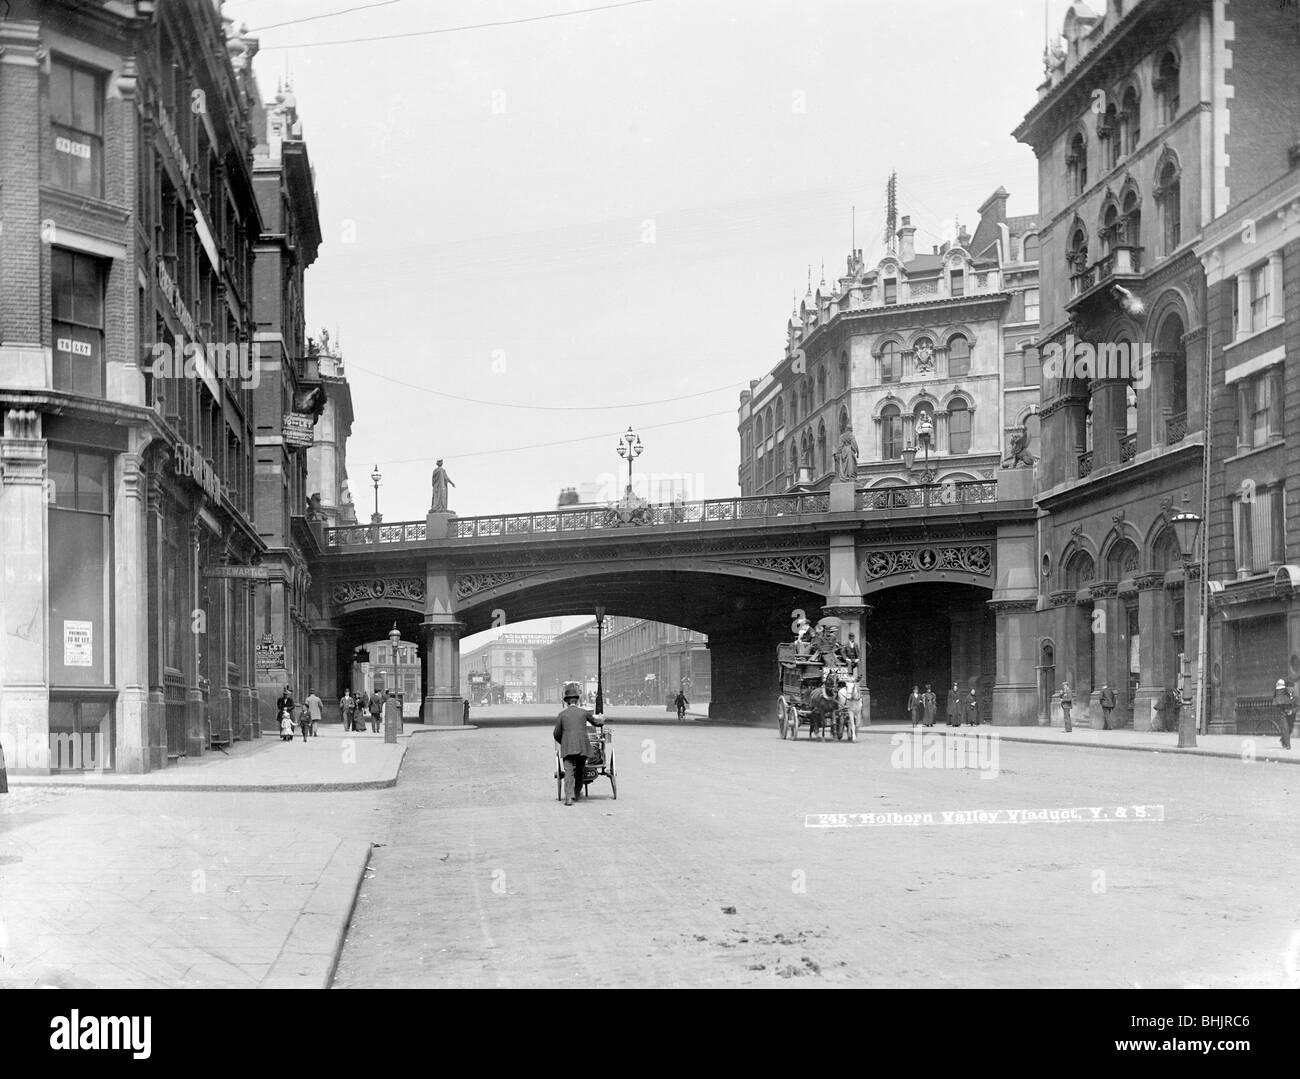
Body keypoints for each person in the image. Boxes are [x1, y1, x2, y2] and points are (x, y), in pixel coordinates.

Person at [554, 681, 603, 805]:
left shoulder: (562, 714)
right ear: (577, 700)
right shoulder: (583, 712)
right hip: (582, 748)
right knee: (580, 770)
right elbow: (596, 723)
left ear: (566, 701)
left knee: (569, 772)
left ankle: (569, 798)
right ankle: (576, 794)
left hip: (568, 748)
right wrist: (602, 720)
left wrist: (564, 741)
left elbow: (556, 733)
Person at [1270, 679, 1294, 750]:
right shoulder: (1280, 692)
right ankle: (1287, 744)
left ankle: (1284, 740)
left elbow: (1275, 700)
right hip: (1282, 712)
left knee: (1287, 728)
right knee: (1285, 728)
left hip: (1288, 711)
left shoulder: (1285, 691)